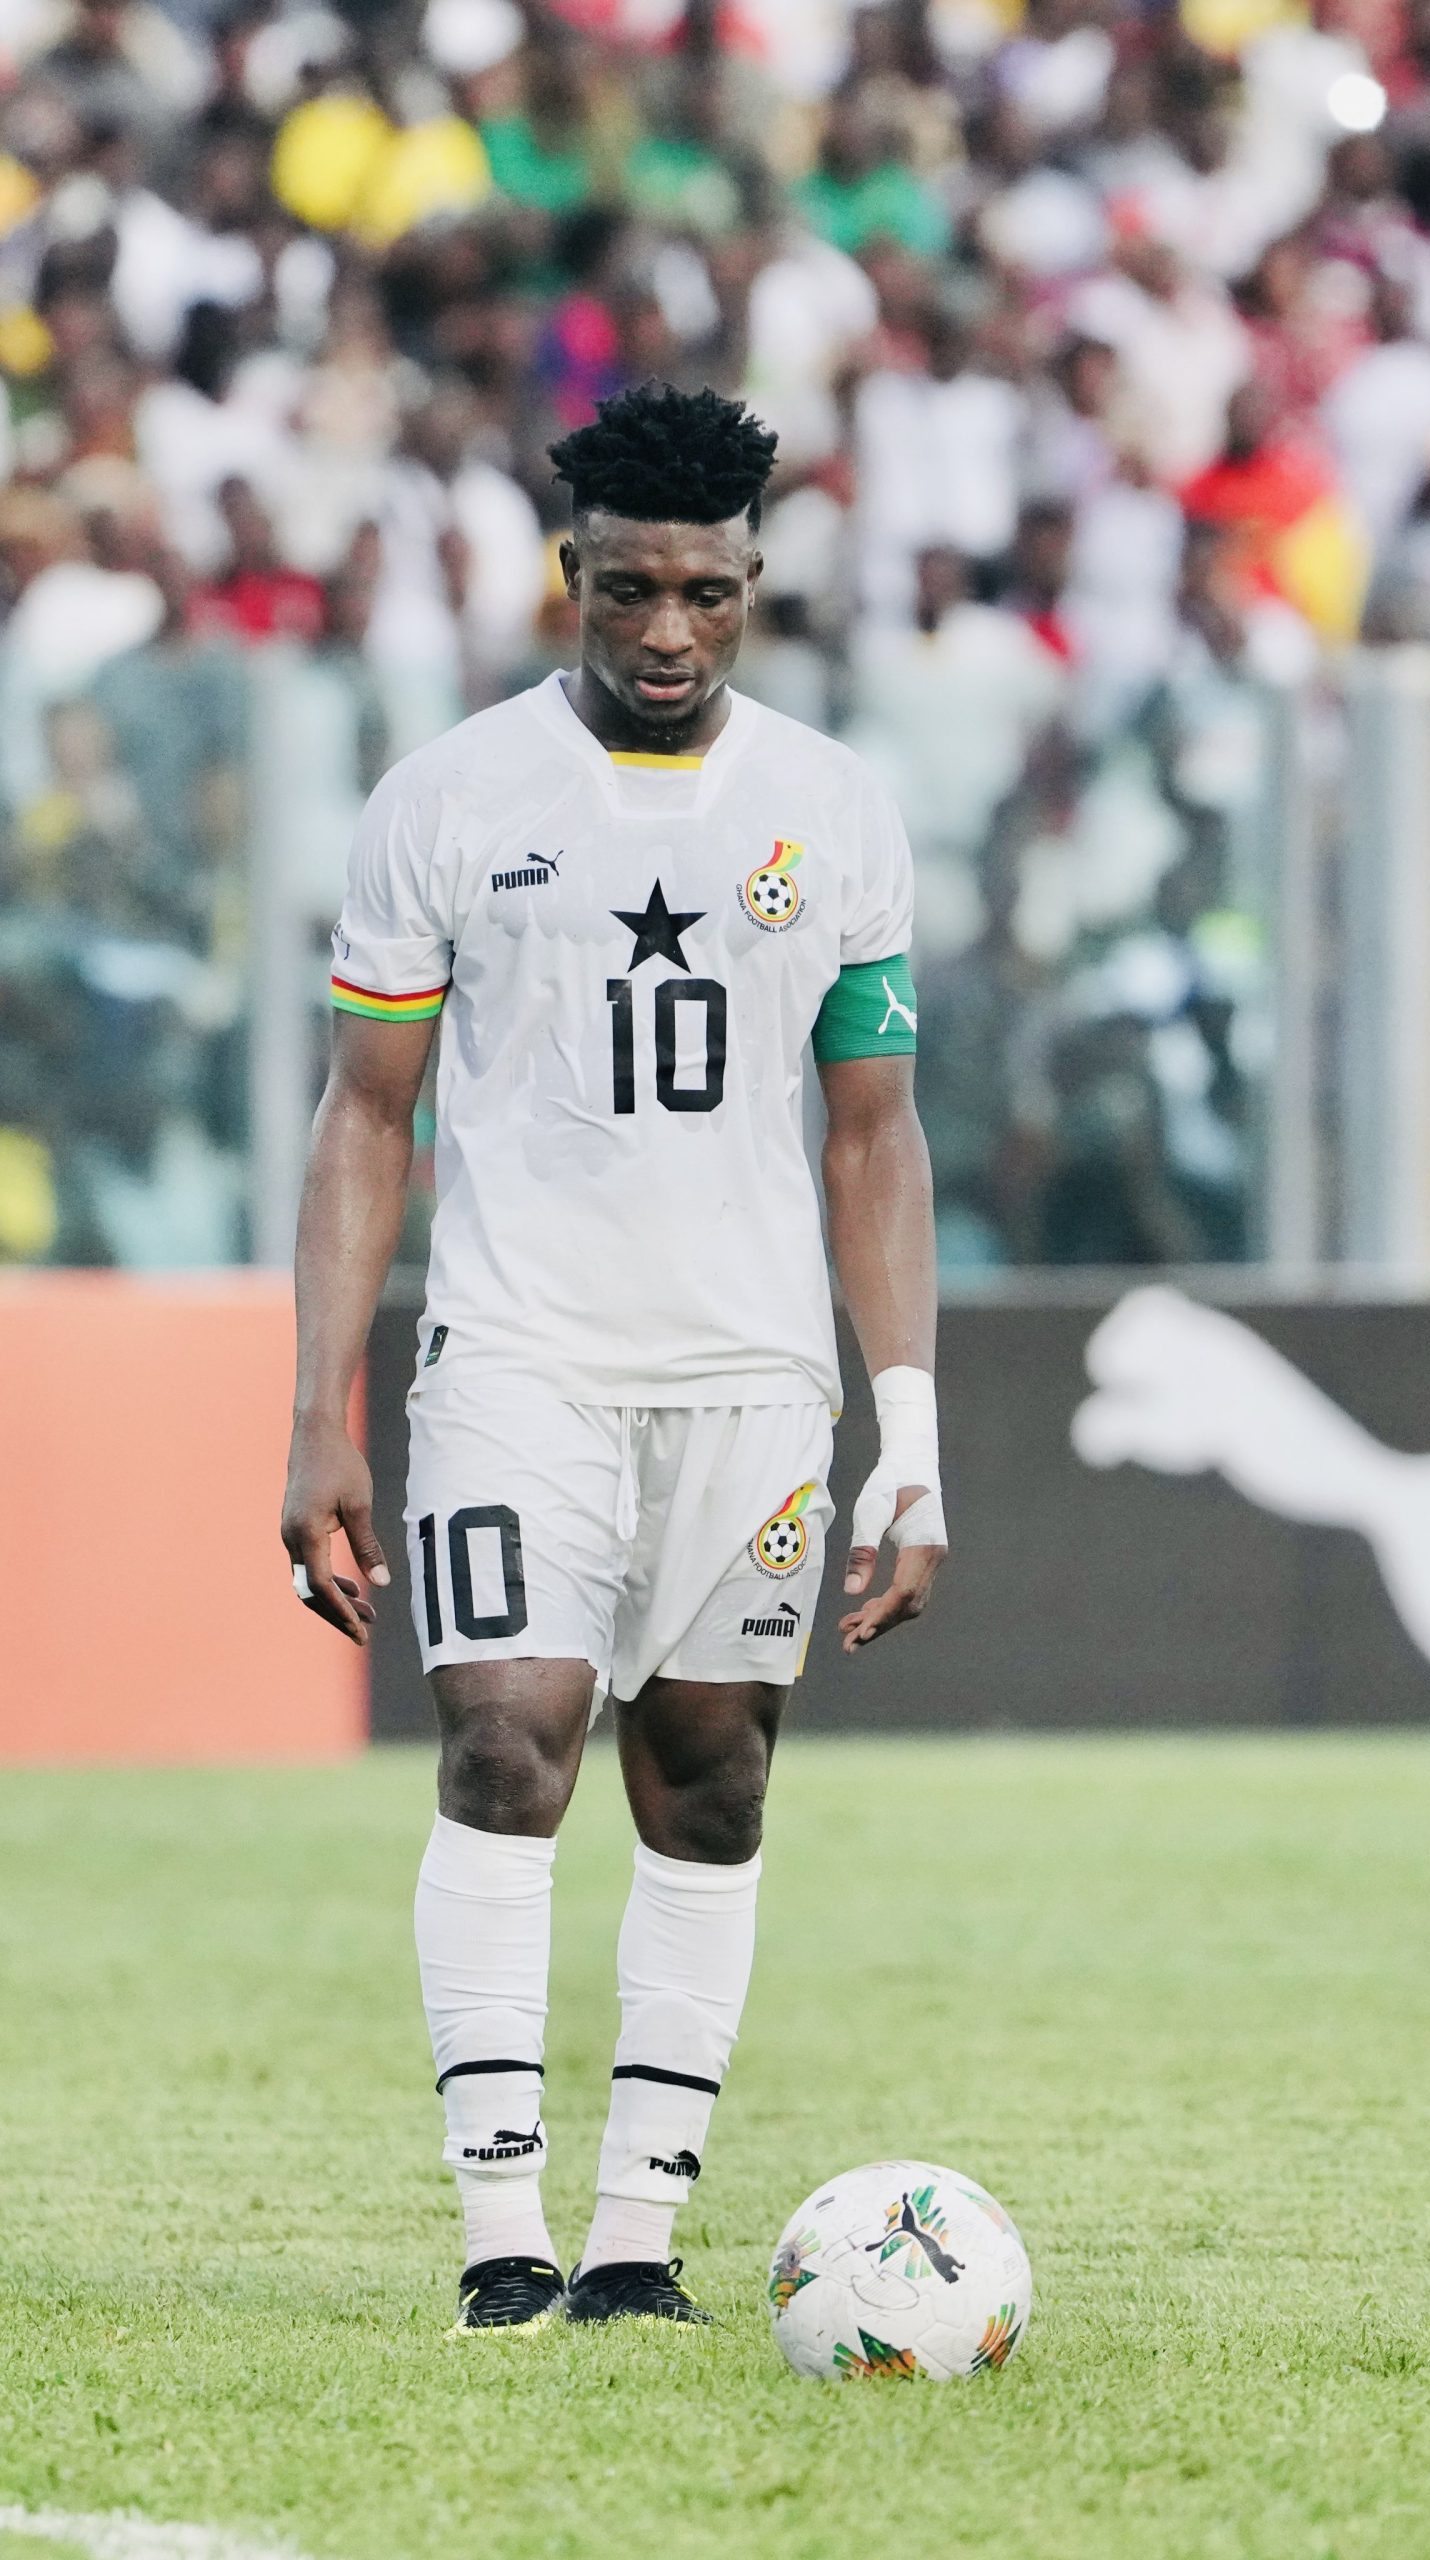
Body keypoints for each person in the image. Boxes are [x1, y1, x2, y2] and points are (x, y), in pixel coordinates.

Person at [279, 382, 948, 2335]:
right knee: (505, 1741)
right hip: (517, 1357)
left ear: (754, 589)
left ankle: (639, 2243)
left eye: (712, 596)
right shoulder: (448, 800)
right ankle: (503, 2232)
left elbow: (873, 1131)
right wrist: (318, 1407)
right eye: (635, 589)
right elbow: (361, 1117)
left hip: (750, 1375)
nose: (670, 631)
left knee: (715, 1778)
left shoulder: (833, 809)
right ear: (572, 577)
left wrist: (905, 1428)